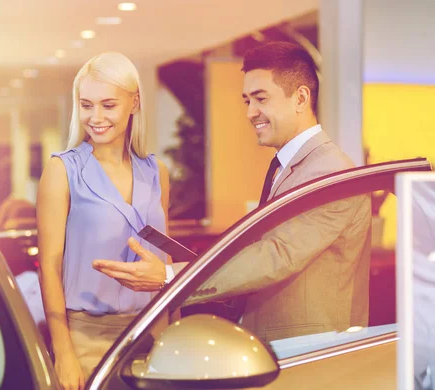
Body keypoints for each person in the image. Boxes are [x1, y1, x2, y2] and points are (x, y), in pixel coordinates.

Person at [93, 41, 372, 341]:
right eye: (246, 101)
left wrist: (171, 277)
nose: (251, 112)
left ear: (301, 98)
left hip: (310, 353)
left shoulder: (329, 171)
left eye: (260, 98)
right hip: (275, 345)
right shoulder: (289, 166)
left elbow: (276, 256)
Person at [36, 51, 171, 390]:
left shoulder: (157, 172)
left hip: (155, 331)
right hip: (86, 339)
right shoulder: (62, 171)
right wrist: (64, 352)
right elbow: (49, 268)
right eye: (86, 105)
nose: (95, 117)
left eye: (108, 105)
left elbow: (162, 260)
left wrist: (173, 332)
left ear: (134, 102)